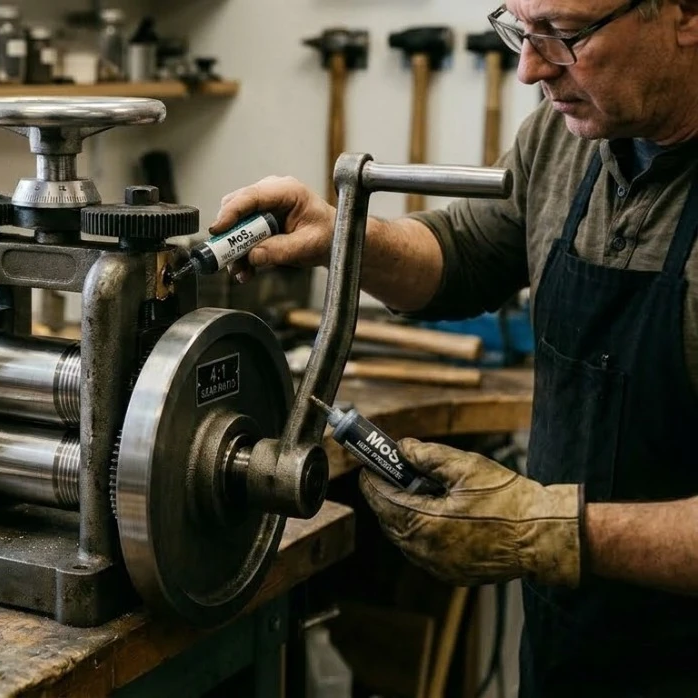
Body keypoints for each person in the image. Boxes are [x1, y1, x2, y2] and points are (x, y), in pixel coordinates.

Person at [210, 1, 698, 695]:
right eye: (520, 29)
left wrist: (548, 527)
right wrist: (340, 233)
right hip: (570, 646)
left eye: (564, 35)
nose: (530, 68)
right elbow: (463, 253)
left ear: (683, 14)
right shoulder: (569, 138)